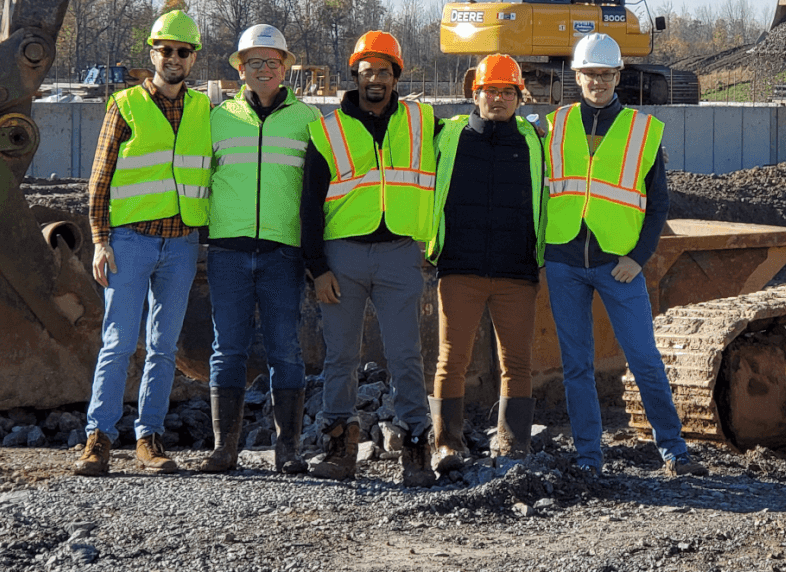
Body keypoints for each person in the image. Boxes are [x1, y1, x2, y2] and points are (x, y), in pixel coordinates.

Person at [543, 33, 706, 478]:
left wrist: (638, 256)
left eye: (605, 74)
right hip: (564, 262)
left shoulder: (642, 132)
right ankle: (589, 457)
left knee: (644, 359)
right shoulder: (553, 127)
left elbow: (658, 206)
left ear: (618, 76)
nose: (597, 82)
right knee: (577, 365)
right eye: (589, 74)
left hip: (619, 265)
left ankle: (674, 451)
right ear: (576, 76)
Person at [73, 11, 211, 477]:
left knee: (163, 346)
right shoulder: (125, 104)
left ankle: (149, 437)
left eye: (183, 51)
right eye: (166, 50)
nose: (173, 58)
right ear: (152, 53)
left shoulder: (202, 110)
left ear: (193, 59)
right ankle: (98, 438)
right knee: (117, 342)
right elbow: (99, 179)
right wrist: (99, 240)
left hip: (180, 245)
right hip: (129, 243)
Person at [300, 31, 438, 485]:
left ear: (396, 76)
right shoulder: (327, 130)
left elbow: (468, 131)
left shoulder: (422, 121)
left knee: (406, 355)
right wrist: (317, 268)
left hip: (401, 254)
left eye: (383, 70)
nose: (374, 78)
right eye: (366, 71)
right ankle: (339, 443)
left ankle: (417, 442)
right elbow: (308, 205)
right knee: (340, 356)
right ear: (354, 75)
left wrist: (528, 126)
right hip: (343, 259)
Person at [199, 24, 323, 475]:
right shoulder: (218, 119)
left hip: (282, 252)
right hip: (228, 250)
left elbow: (317, 192)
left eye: (273, 62)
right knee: (226, 348)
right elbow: (197, 180)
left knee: (285, 350)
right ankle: (224, 448)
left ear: (286, 67)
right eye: (255, 62)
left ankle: (287, 449)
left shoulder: (308, 121)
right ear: (240, 69)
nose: (264, 69)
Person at [425, 54, 546, 474]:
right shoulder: (448, 136)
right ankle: (447, 444)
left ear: (518, 96)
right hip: (461, 267)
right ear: (474, 94)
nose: (498, 99)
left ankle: (513, 447)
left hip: (517, 271)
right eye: (490, 91)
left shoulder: (534, 141)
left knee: (517, 364)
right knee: (450, 360)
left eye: (507, 92)